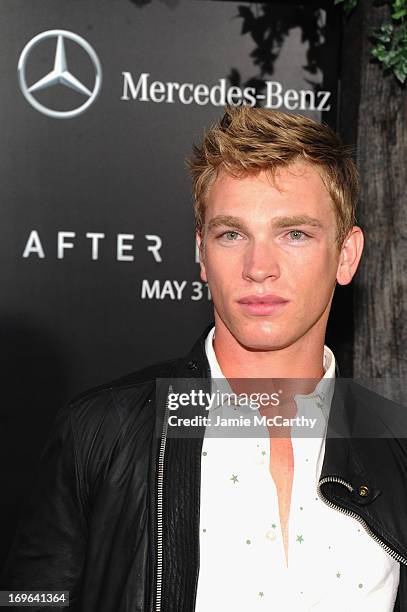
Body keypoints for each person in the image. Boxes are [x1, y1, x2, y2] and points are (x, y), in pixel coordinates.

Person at [2, 107, 407, 611]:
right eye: (231, 234)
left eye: (294, 234)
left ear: (346, 256)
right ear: (201, 255)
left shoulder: (397, 445)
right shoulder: (98, 434)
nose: (259, 267)